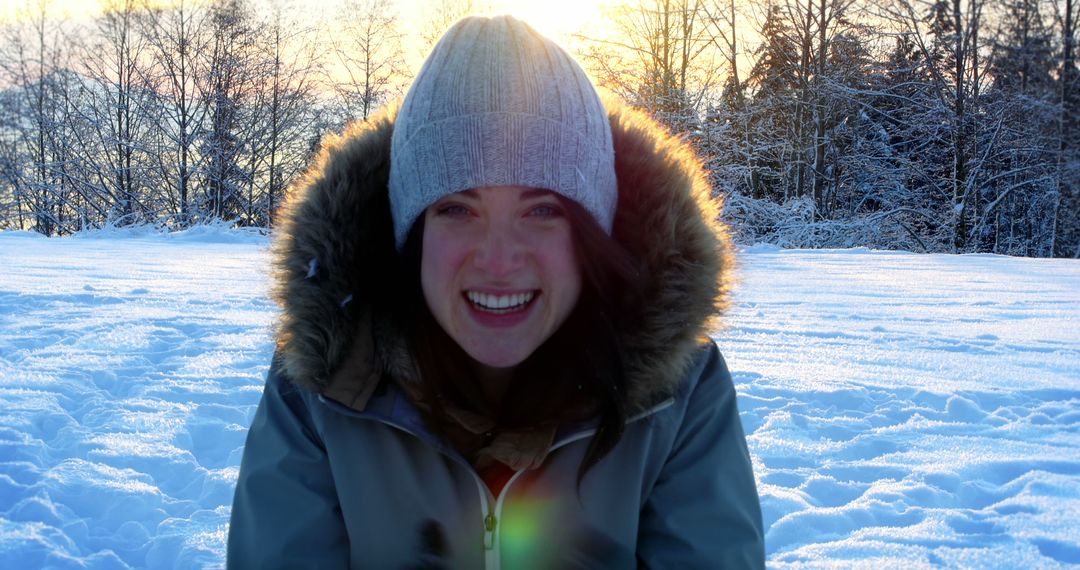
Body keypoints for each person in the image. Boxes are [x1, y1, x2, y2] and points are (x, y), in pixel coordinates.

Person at [227, 15, 764, 569]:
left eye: (542, 211)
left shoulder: (677, 394)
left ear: (591, 236)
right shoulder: (325, 387)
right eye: (457, 208)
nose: (499, 260)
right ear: (411, 234)